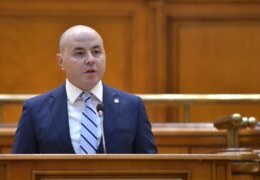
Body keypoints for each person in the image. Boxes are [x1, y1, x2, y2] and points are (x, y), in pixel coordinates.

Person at [12, 25, 157, 154]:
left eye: (96, 51)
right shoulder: (35, 110)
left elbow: (150, 167)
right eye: (80, 53)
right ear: (61, 61)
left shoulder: (133, 106)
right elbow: (19, 170)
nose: (90, 59)